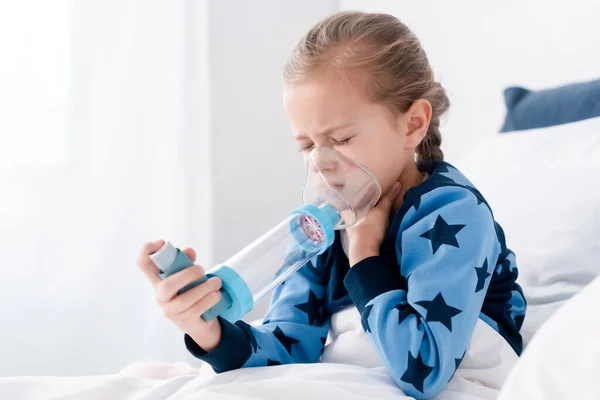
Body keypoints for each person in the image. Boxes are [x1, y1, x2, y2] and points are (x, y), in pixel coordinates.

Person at [136, 11, 526, 399]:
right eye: (306, 145)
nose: (320, 163)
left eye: (340, 139)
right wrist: (208, 329)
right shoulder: (323, 226)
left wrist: (365, 257)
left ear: (412, 125)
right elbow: (289, 349)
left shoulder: (451, 214)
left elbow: (424, 369)